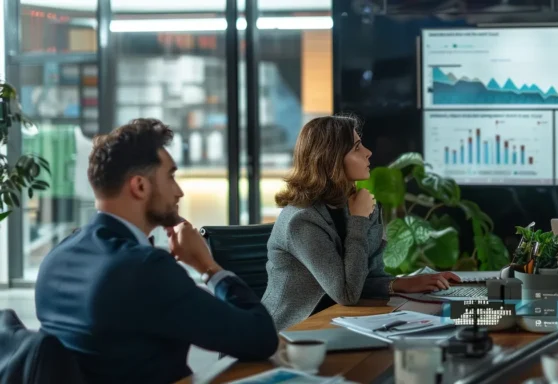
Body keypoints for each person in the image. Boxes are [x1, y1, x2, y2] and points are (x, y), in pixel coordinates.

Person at [34, 119, 279, 383]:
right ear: (139, 186)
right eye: (171, 176)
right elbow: (260, 338)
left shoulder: (56, 258)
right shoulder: (144, 268)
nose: (179, 191)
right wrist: (207, 266)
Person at [261, 115, 460, 330]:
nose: (368, 152)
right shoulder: (302, 221)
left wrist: (403, 283)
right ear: (331, 159)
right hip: (287, 334)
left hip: (339, 322)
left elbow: (367, 278)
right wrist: (358, 220)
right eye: (357, 147)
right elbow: (347, 293)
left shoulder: (358, 203)